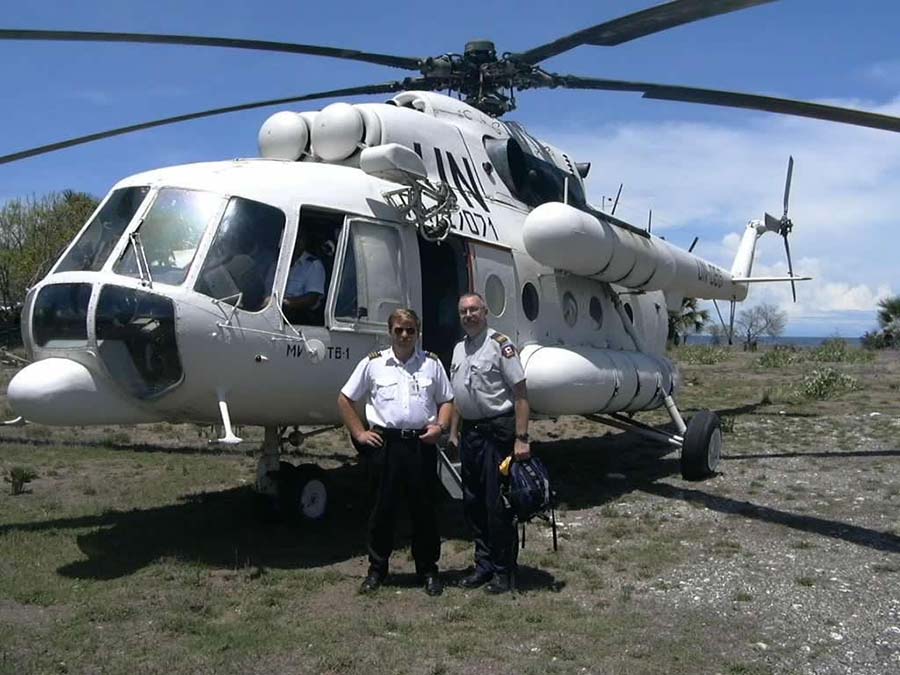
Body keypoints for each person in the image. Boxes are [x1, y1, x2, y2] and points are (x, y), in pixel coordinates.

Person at [337, 308, 454, 596]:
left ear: (418, 332)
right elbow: (345, 398)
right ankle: (377, 570)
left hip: (420, 445)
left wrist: (441, 426)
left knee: (424, 510)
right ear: (389, 332)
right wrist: (359, 433)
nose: (404, 335)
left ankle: (427, 570)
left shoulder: (431, 364)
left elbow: (448, 399)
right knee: (381, 509)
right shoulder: (373, 364)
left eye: (410, 330)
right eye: (399, 330)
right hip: (384, 445)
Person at [449, 292, 530, 594]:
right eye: (463, 311)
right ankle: (483, 566)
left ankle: (504, 571)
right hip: (471, 434)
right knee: (473, 502)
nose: (468, 315)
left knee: (498, 505)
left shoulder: (500, 345)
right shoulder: (459, 349)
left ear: (485, 312)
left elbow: (520, 394)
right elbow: (460, 395)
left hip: (498, 431)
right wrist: (454, 433)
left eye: (473, 310)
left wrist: (521, 439)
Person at [282, 230, 326, 324]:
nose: (295, 240)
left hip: (298, 318)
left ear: (304, 241)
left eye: (299, 237)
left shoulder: (313, 265)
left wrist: (284, 303)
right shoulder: (277, 261)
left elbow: (311, 299)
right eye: (291, 235)